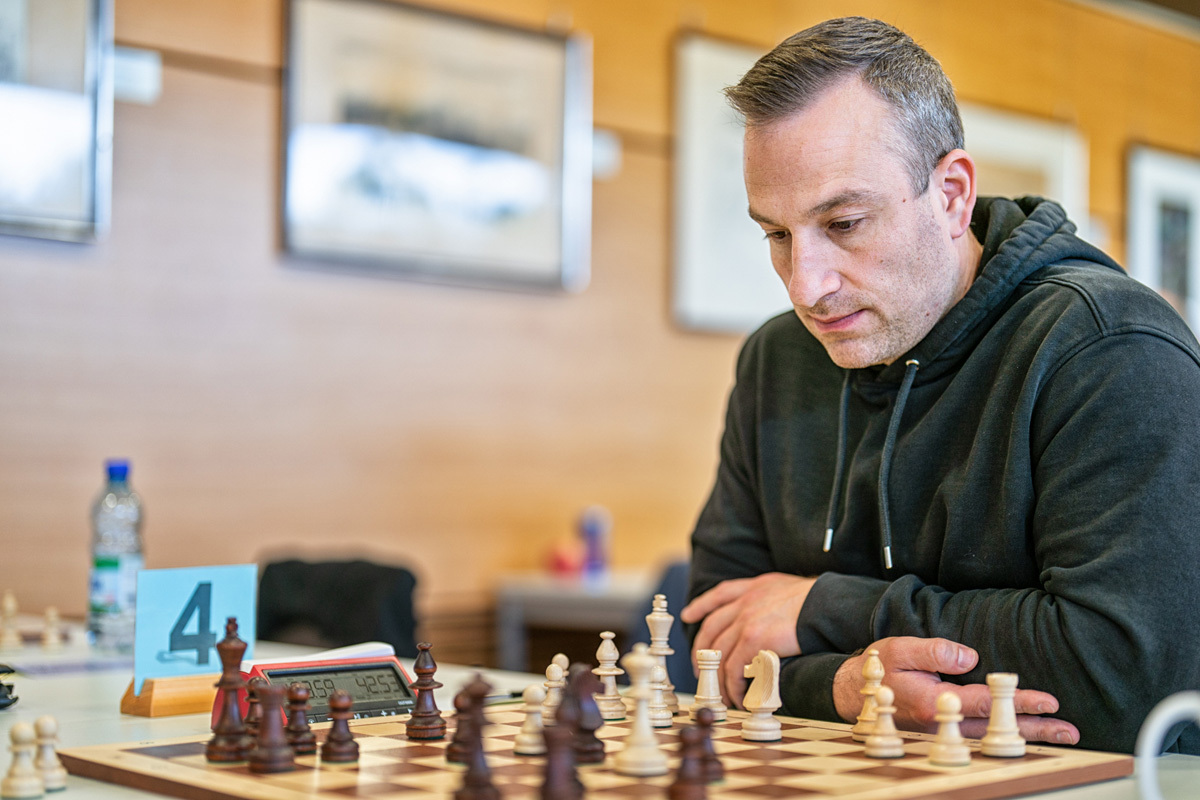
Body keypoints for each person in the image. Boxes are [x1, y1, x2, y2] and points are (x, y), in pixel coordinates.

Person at [679, 16, 1200, 755]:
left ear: (952, 194)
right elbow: (713, 632)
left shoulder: (1109, 348)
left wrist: (825, 609)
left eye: (845, 223)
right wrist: (845, 687)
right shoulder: (776, 359)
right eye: (778, 235)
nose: (806, 286)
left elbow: (1127, 677)